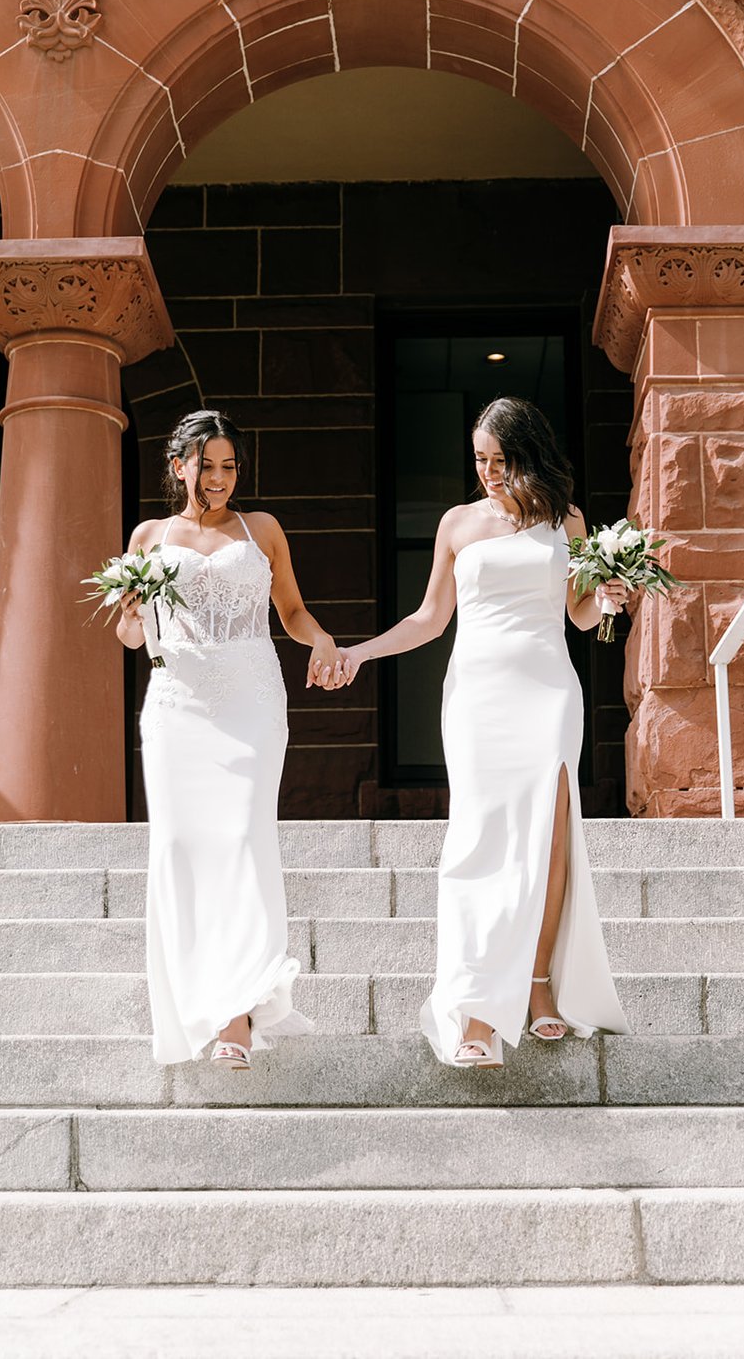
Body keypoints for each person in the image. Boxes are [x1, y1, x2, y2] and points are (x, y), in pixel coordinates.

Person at [343, 396, 632, 1067]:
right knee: (477, 841)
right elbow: (428, 620)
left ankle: (538, 988)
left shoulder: (568, 521)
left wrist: (609, 595)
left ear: (528, 455)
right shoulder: (456, 523)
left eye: (501, 460)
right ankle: (475, 1008)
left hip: (549, 690)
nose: (489, 473)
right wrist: (360, 652)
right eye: (479, 460)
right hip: (477, 696)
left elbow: (582, 615)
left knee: (549, 839)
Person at [116, 409, 346, 1070]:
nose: (218, 478)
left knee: (245, 840)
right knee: (185, 849)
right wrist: (131, 615)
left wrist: (323, 638)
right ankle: (199, 1002)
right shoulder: (149, 537)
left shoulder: (262, 530)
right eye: (206, 465)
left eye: (229, 466)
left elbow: (292, 612)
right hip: (177, 706)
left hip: (249, 701)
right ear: (178, 465)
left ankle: (238, 1014)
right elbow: (131, 637)